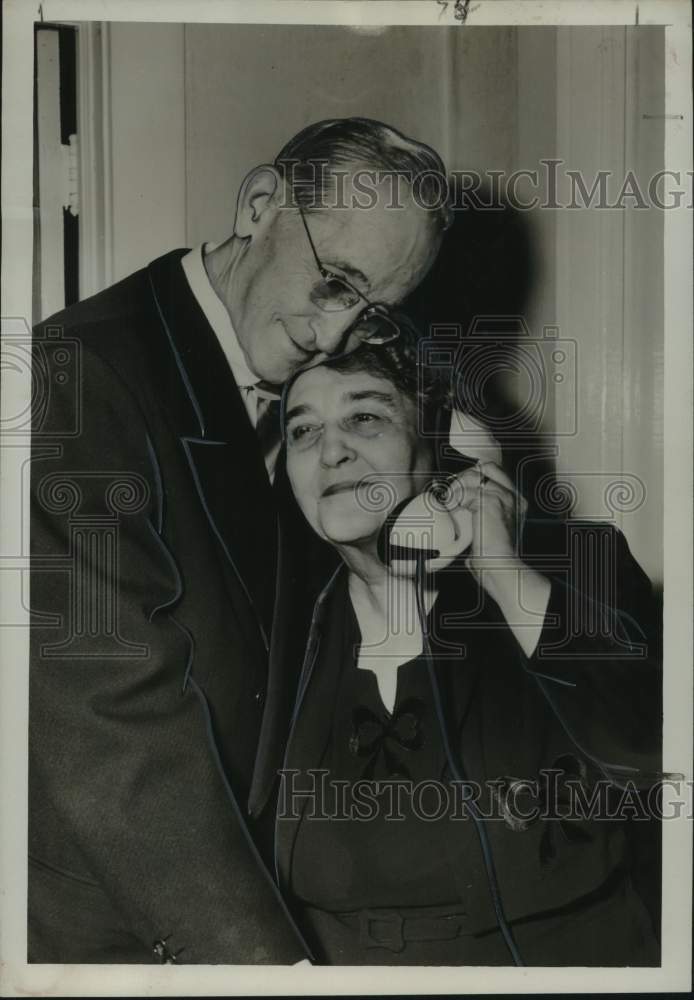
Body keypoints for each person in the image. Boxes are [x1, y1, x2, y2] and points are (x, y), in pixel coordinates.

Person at [28, 117, 449, 964]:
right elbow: (113, 715)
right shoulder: (79, 374)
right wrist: (269, 967)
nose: (332, 339)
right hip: (108, 918)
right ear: (260, 204)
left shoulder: (299, 387)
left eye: (372, 312)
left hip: (248, 883)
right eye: (335, 282)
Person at [276, 325, 662, 965]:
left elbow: (648, 752)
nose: (331, 451)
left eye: (366, 416)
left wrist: (502, 573)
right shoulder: (282, 625)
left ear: (443, 445)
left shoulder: (580, 568)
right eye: (302, 430)